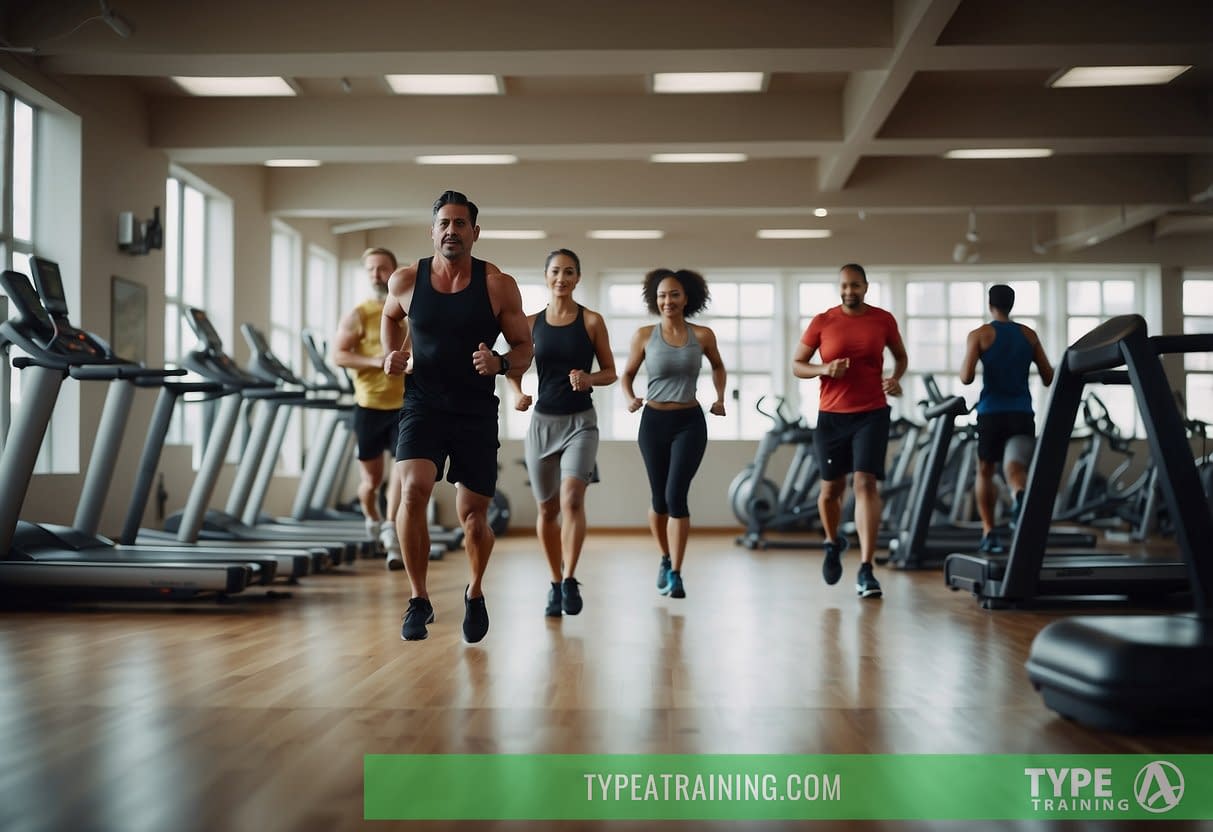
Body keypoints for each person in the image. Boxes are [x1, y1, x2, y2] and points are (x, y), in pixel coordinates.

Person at [381, 190, 533, 643]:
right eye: (444, 223)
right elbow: (391, 318)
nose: (452, 230)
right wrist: (390, 353)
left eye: (460, 223)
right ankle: (419, 599)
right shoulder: (406, 280)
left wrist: (502, 364)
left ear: (475, 232)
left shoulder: (497, 284)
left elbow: (526, 348)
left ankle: (475, 591)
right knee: (413, 490)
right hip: (422, 403)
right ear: (432, 232)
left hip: (475, 410)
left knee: (473, 517)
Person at [508, 249, 617, 618]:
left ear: (578, 278)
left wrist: (589, 379)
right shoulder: (530, 322)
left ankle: (570, 577)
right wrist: (518, 393)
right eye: (556, 271)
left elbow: (611, 372)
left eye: (569, 272)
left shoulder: (591, 321)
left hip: (580, 423)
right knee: (547, 507)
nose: (562, 278)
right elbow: (512, 368)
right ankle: (554, 582)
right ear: (546, 276)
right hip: (542, 424)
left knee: (571, 500)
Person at [792, 263, 908, 599]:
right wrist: (824, 368)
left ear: (866, 287)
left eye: (855, 286)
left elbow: (900, 357)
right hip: (831, 416)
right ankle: (832, 542)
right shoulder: (823, 321)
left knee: (865, 482)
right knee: (831, 490)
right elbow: (797, 365)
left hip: (872, 412)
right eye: (844, 286)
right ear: (839, 287)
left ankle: (867, 568)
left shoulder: (883, 320)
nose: (849, 292)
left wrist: (895, 378)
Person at [619, 268, 727, 600]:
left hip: (690, 423)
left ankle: (677, 573)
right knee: (659, 499)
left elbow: (718, 366)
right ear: (655, 299)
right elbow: (627, 375)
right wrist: (630, 398)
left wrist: (720, 397)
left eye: (675, 294)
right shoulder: (643, 335)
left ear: (687, 298)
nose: (668, 300)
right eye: (663, 295)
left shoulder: (703, 335)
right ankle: (665, 558)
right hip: (653, 422)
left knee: (676, 496)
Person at [959, 283, 1054, 553]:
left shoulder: (980, 334)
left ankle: (989, 531)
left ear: (990, 305)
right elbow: (1048, 377)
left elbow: (966, 377)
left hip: (991, 413)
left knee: (985, 471)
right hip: (1021, 412)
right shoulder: (1029, 335)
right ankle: (1018, 494)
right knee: (1015, 468)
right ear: (1012, 305)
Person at [332, 247, 406, 570]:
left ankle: (390, 528)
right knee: (372, 482)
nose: (377, 274)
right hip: (370, 406)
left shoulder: (408, 309)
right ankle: (372, 516)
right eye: (371, 270)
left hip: (404, 406)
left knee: (402, 472)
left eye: (382, 268)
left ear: (394, 270)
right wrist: (377, 361)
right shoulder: (359, 314)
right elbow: (340, 355)